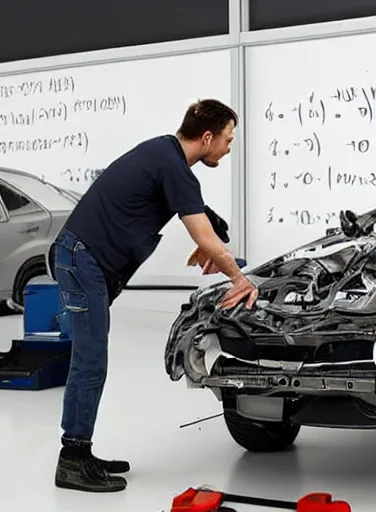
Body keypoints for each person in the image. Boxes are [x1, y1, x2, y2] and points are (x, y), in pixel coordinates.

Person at [47, 99, 259, 493]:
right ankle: (72, 460)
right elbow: (202, 232)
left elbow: (202, 220)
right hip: (82, 261)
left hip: (85, 261)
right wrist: (238, 279)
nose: (229, 148)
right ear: (208, 137)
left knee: (91, 358)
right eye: (228, 140)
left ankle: (81, 451)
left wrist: (212, 238)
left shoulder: (164, 155)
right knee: (90, 360)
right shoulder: (173, 164)